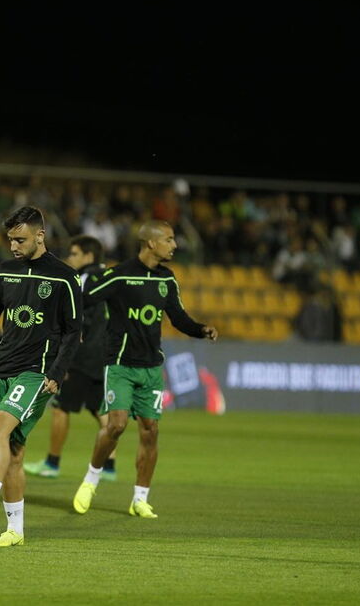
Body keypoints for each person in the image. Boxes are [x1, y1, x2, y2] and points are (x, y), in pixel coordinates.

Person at [0, 206, 82, 547]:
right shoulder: (4, 272)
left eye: (20, 239)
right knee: (14, 452)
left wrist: (58, 370)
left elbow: (73, 331)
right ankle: (15, 531)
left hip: (38, 372)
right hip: (3, 368)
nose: (13, 246)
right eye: (10, 239)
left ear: (40, 236)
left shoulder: (64, 277)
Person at [72, 220, 217, 519]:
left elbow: (178, 317)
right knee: (116, 425)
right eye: (170, 239)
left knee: (151, 431)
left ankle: (140, 498)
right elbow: (83, 300)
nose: (175, 245)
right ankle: (91, 479)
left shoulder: (167, 279)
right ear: (151, 243)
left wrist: (201, 329)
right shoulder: (120, 275)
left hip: (151, 368)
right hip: (121, 365)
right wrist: (72, 329)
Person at [24, 235, 118, 480]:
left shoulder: (84, 279)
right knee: (100, 409)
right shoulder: (110, 277)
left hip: (83, 355)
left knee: (60, 408)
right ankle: (108, 466)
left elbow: (76, 317)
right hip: (106, 354)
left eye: (74, 254)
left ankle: (51, 463)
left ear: (88, 256)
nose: (70, 259)